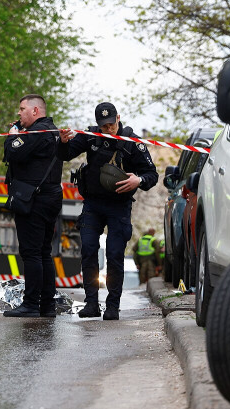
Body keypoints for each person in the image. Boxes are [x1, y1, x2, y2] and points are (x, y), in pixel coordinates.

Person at [57, 102, 158, 320]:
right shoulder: (91, 136)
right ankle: (91, 303)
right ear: (97, 124)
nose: (108, 128)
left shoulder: (132, 142)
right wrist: (63, 142)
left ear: (118, 118)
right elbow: (66, 154)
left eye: (111, 124)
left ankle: (112, 306)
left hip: (119, 206)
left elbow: (152, 174)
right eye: (104, 125)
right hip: (93, 203)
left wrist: (138, 180)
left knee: (114, 254)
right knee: (88, 249)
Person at [2, 94, 63, 317]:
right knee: (44, 252)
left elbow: (12, 152)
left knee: (31, 253)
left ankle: (31, 304)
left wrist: (13, 134)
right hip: (49, 197)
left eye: (22, 109)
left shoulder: (37, 132)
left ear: (35, 111)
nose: (19, 113)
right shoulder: (51, 130)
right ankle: (46, 305)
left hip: (34, 200)